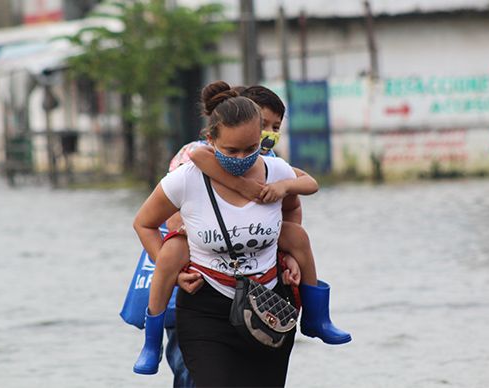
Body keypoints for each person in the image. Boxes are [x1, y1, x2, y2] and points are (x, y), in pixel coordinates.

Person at [133, 81, 349, 386]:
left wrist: (288, 255)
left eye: (253, 145)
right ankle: (151, 341)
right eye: (232, 149)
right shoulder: (193, 163)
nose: (242, 156)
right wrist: (246, 186)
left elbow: (300, 198)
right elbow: (150, 216)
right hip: (205, 291)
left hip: (264, 298)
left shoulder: (275, 167)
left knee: (297, 238)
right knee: (172, 253)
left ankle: (317, 318)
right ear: (214, 137)